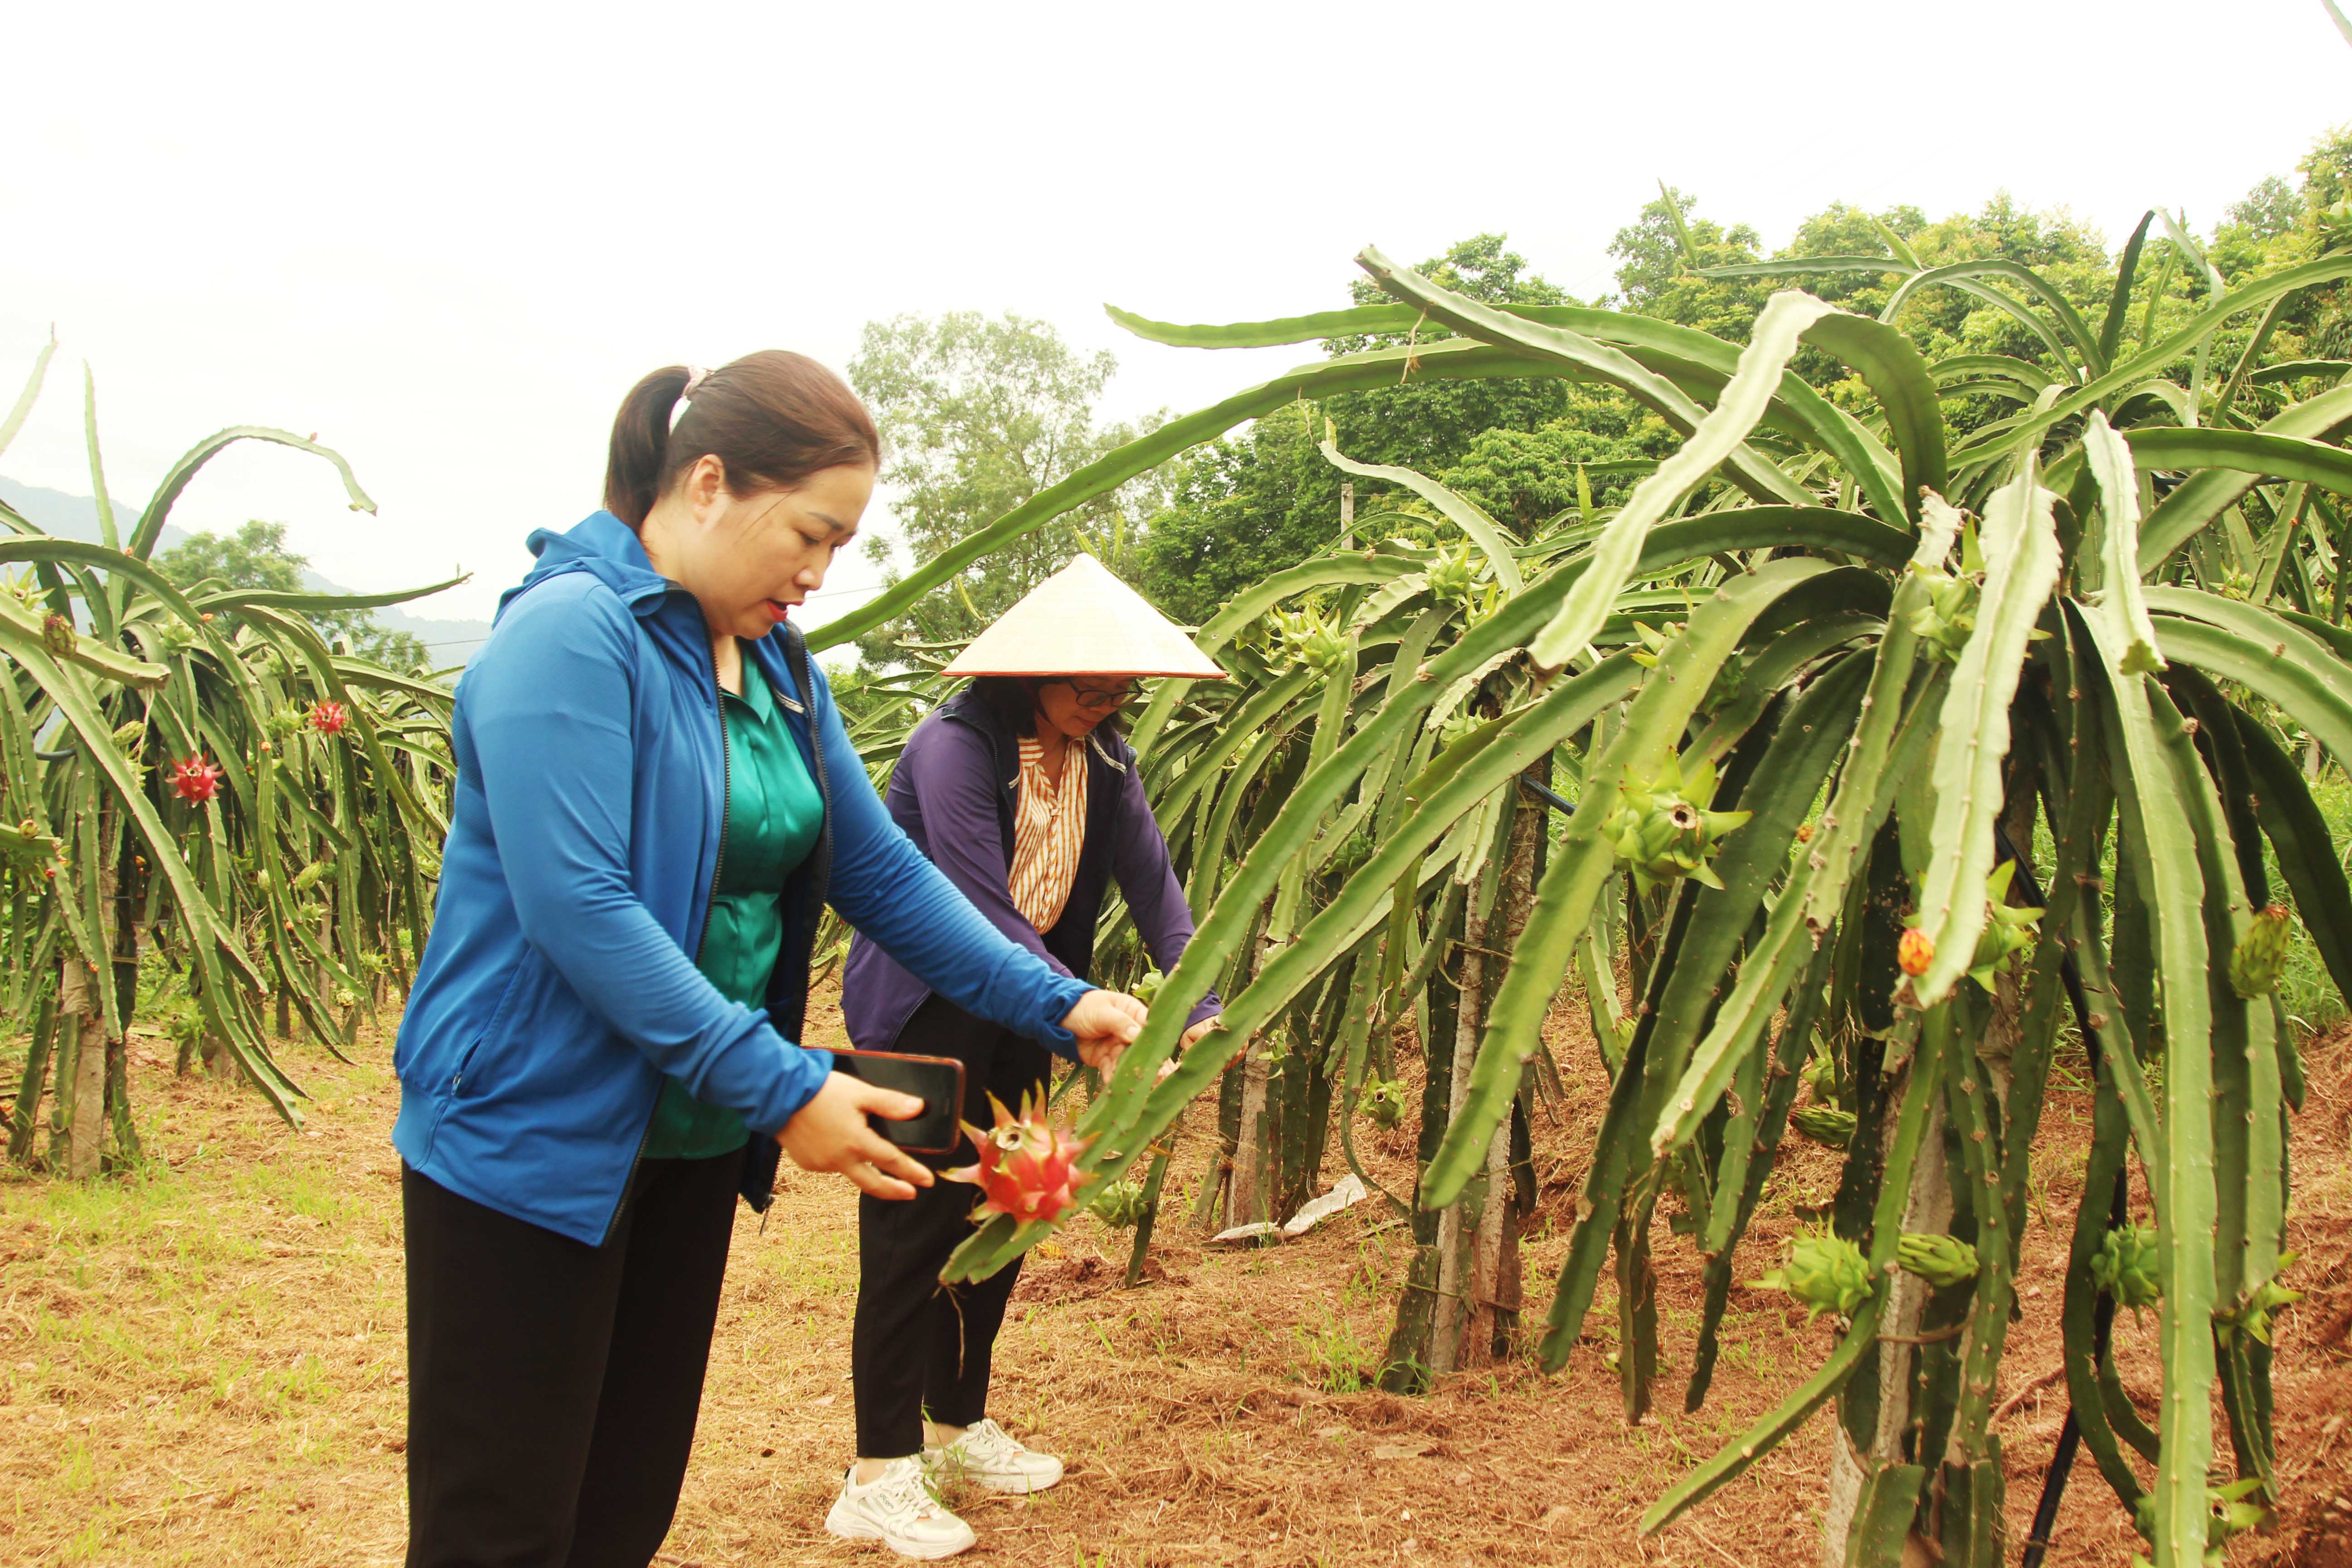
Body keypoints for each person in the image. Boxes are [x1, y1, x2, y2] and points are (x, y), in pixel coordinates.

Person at [391, 354, 1147, 1568]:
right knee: (503, 1526)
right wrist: (788, 1085)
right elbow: (582, 906)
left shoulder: (783, 672)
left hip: (688, 1134)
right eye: (810, 532)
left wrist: (1061, 1002)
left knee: (619, 1509)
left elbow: (887, 877)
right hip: (526, 1142)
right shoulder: (572, 638)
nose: (818, 570)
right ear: (706, 483)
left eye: (841, 546)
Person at [833, 552, 1227, 1559]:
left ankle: (957, 1430)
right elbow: (974, 910)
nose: (1102, 703)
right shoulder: (952, 748)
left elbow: (1158, 889)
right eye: (1084, 685)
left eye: (1118, 690)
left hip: (1027, 1014)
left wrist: (1199, 1000)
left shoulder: (1106, 767)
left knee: (1004, 1210)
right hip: (923, 1015)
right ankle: (879, 1472)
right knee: (910, 1231)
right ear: (1027, 673)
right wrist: (1077, 1007)